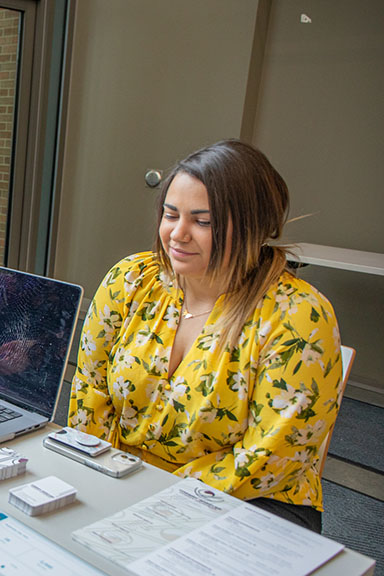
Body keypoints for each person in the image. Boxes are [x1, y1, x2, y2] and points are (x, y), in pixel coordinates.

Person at [68, 139, 342, 532]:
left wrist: (151, 499)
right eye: (170, 214)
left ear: (254, 227)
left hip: (246, 498)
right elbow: (89, 392)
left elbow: (273, 456)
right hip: (120, 476)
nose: (178, 234)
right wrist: (95, 472)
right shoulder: (131, 279)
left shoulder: (297, 315)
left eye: (203, 221)